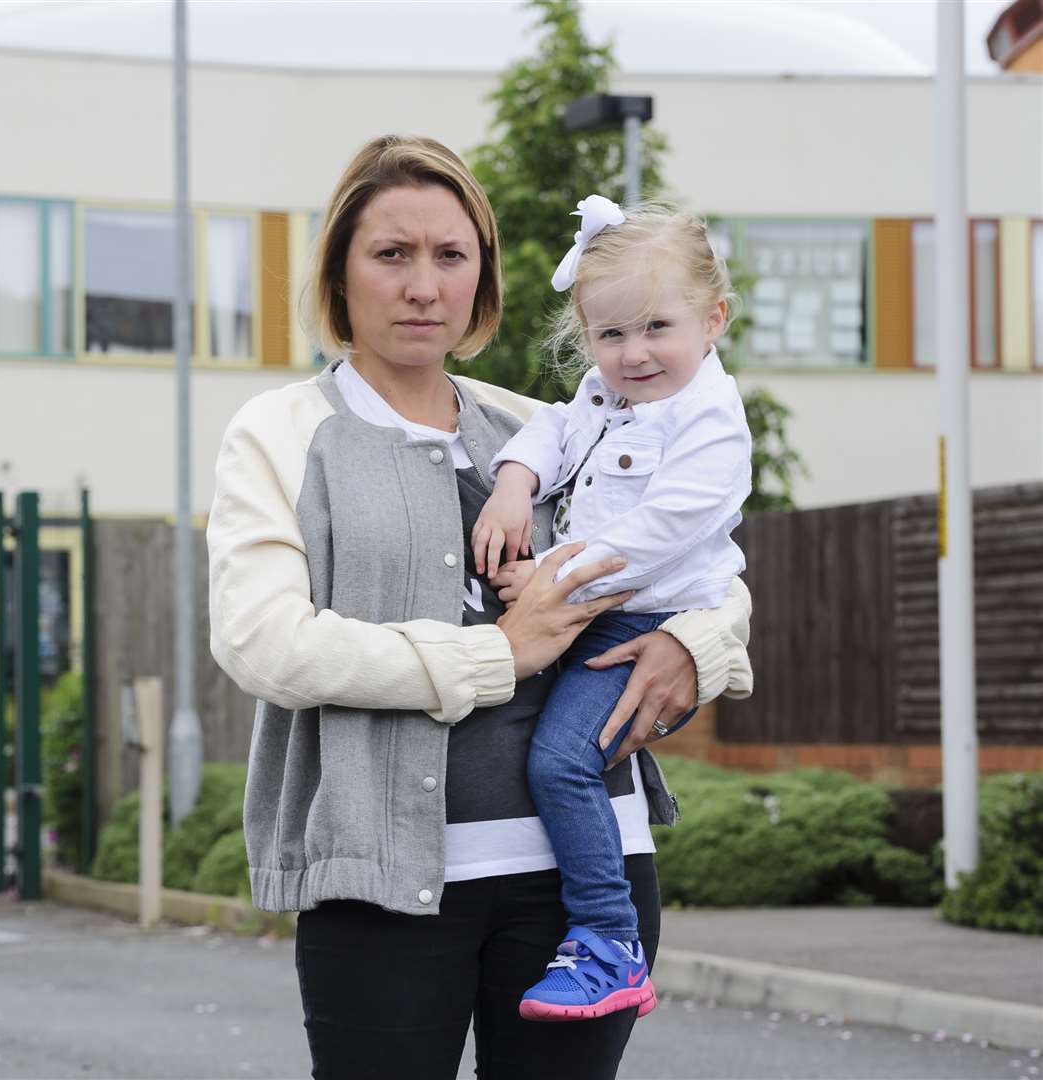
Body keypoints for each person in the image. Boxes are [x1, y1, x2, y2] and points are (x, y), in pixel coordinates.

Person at [206, 135, 753, 1080]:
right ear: (339, 273)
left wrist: (695, 645)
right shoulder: (281, 433)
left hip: (586, 885)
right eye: (391, 255)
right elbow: (265, 645)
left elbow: (699, 556)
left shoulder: (534, 427)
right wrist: (496, 656)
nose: (423, 286)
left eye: (450, 256)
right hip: (383, 887)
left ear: (481, 278)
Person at [470, 194, 753, 1022]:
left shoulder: (710, 423)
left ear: (713, 320)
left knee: (559, 761)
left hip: (634, 620)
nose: (632, 354)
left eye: (656, 328)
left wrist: (554, 578)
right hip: (598, 609)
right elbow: (551, 430)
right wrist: (515, 482)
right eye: (610, 334)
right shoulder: (606, 395)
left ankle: (606, 941)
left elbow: (661, 531)